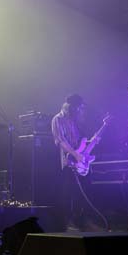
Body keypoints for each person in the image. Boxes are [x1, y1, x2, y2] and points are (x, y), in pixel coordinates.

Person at [51, 94, 90, 230]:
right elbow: (60, 141)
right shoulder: (58, 119)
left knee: (80, 192)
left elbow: (79, 141)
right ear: (71, 106)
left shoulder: (74, 120)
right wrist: (75, 155)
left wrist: (85, 152)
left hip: (78, 161)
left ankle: (80, 220)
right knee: (67, 193)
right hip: (67, 162)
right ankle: (67, 223)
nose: (79, 110)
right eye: (78, 108)